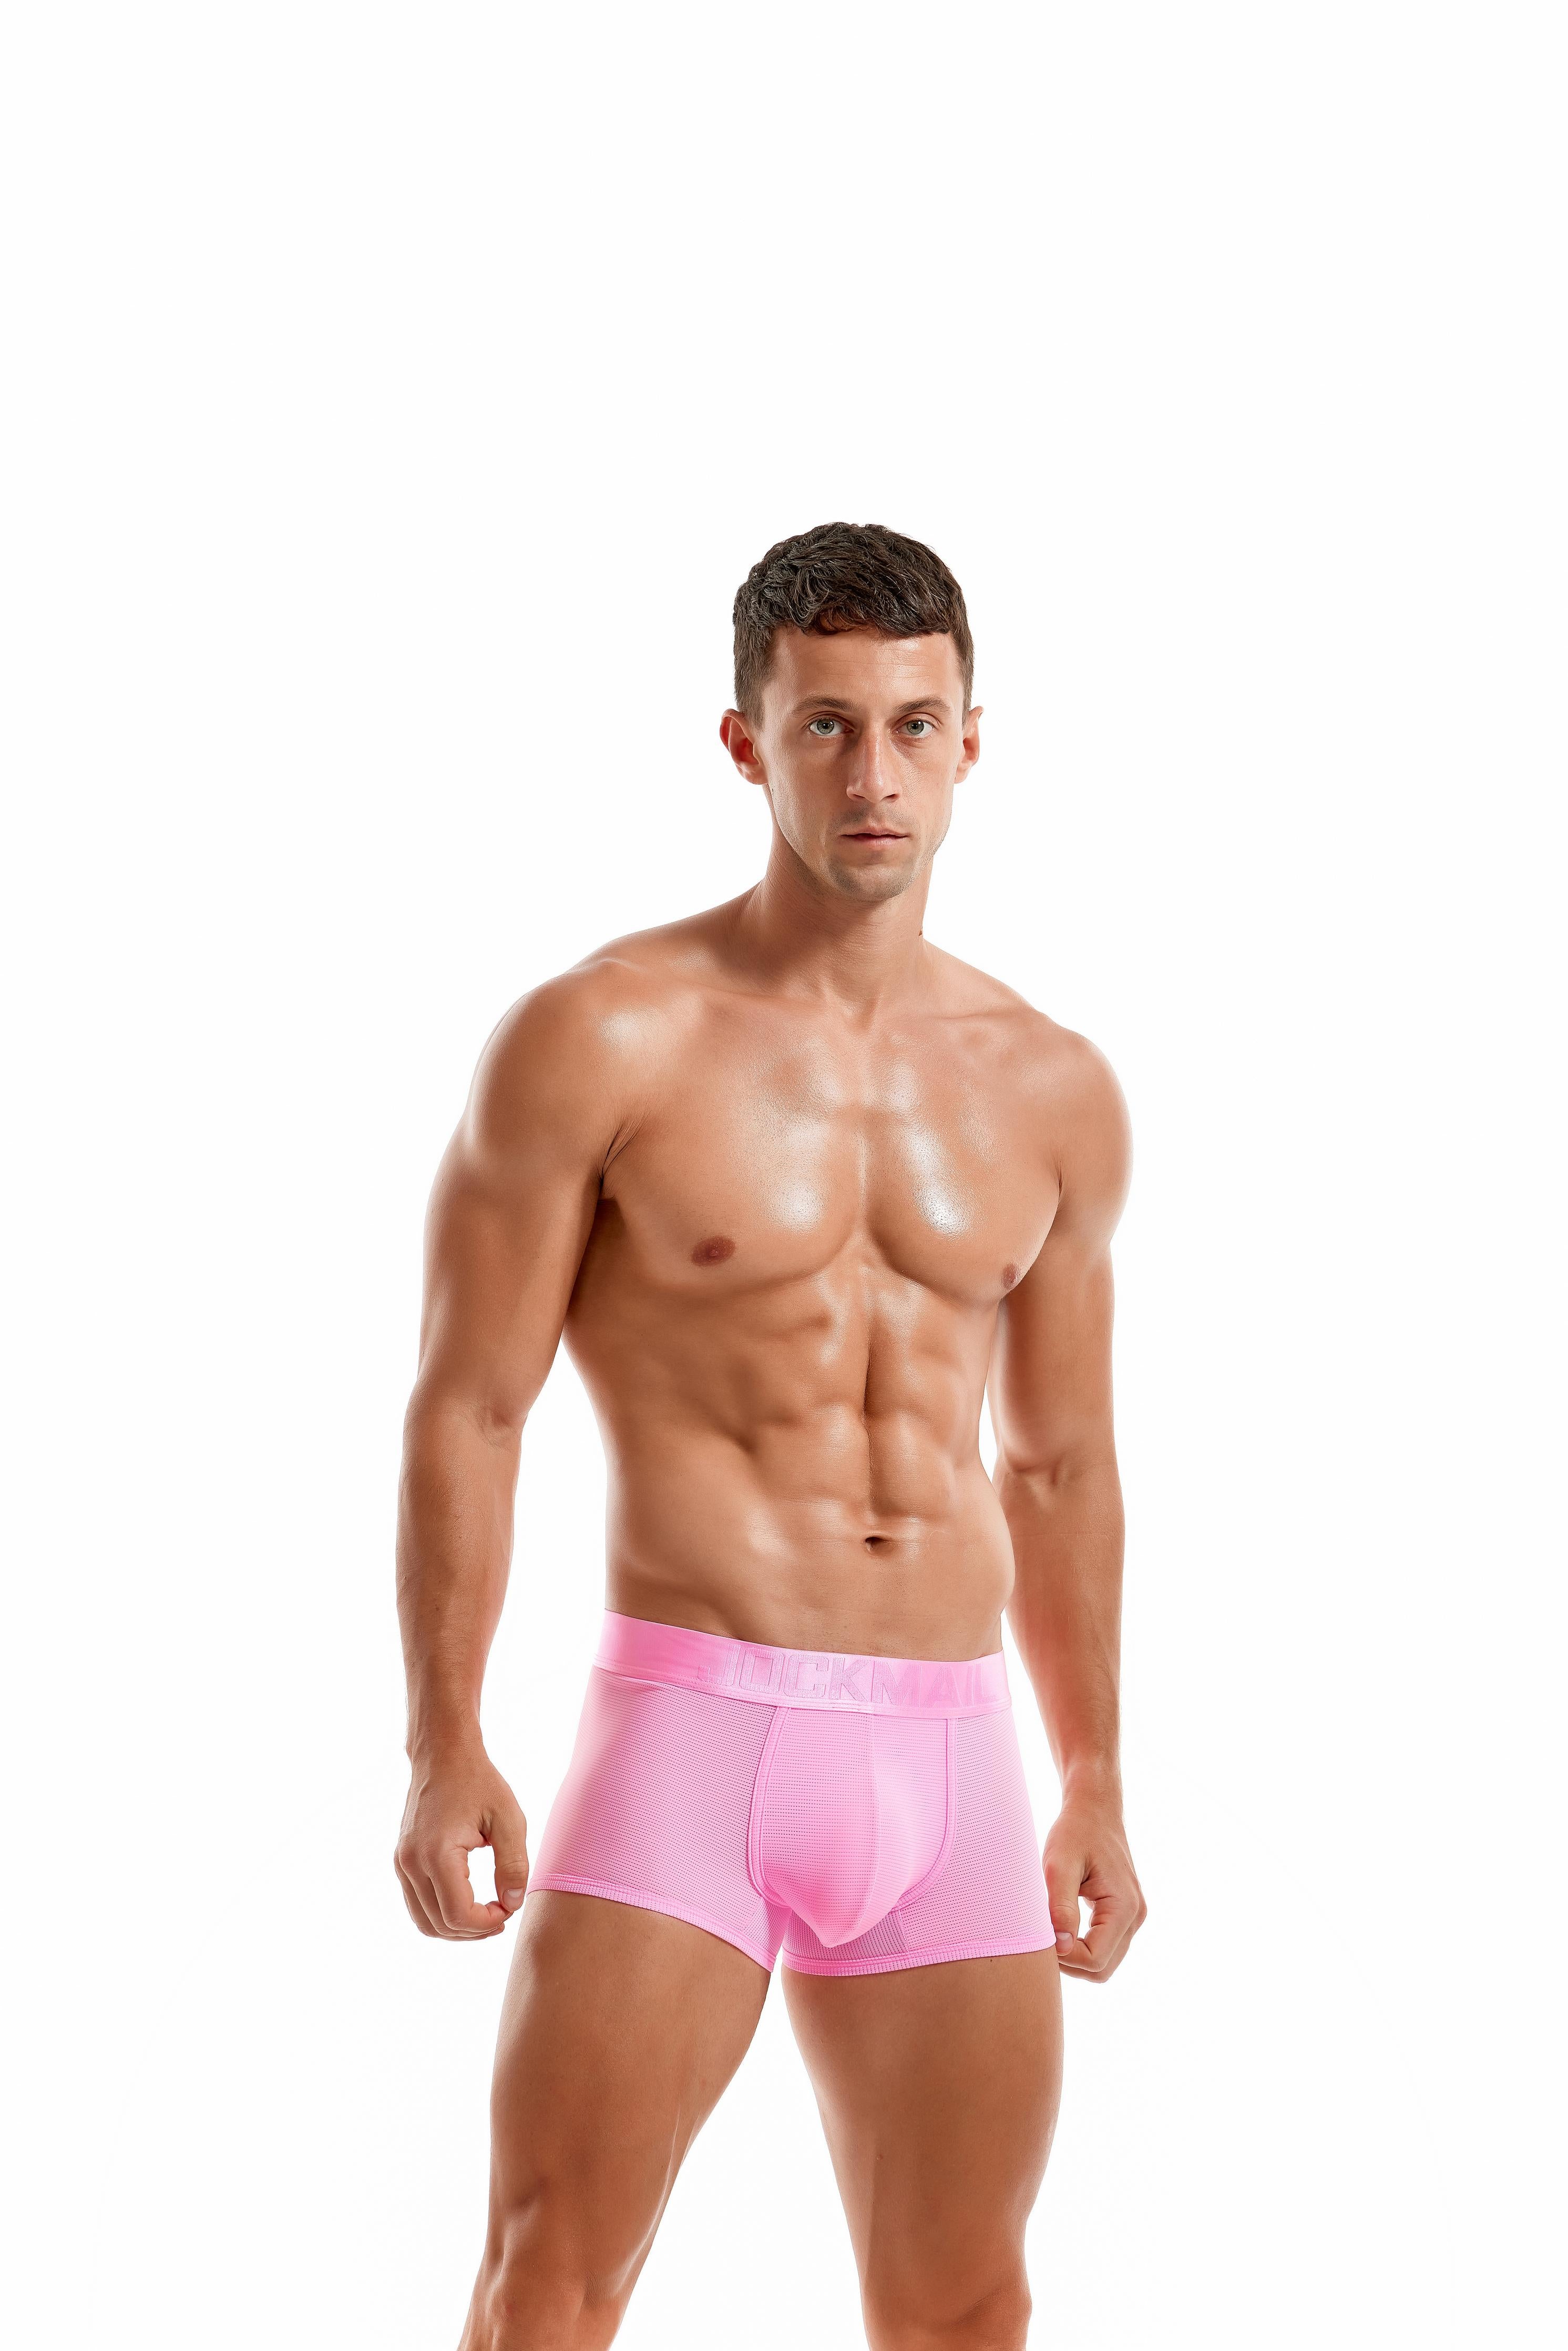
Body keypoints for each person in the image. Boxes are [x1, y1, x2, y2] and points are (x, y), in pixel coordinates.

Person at [394, 520, 1146, 2351]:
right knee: (552, 2284)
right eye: (826, 726)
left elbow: (1060, 1462)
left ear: (973, 742)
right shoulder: (603, 1039)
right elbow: (471, 1404)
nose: (873, 773)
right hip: (695, 1730)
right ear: (748, 744)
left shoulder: (1053, 1087)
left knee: (966, 2308)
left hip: (954, 1755)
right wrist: (443, 1738)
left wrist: (1096, 1775)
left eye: (912, 725)